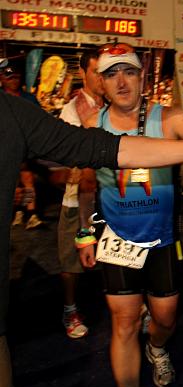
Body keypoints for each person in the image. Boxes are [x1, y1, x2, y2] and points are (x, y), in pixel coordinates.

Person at [0, 55, 183, 387]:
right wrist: (85, 232)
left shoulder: (168, 118)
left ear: (142, 77)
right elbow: (87, 184)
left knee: (165, 319)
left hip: (162, 244)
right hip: (118, 242)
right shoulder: (94, 126)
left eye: (129, 72)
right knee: (123, 322)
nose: (122, 82)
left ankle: (156, 347)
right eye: (112, 75)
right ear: (101, 83)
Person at [56, 50, 106, 339]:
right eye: (97, 72)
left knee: (114, 252)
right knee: (71, 259)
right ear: (83, 72)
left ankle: (128, 303)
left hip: (110, 197)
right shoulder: (72, 110)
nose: (103, 79)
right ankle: (69, 309)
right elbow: (76, 159)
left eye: (106, 72)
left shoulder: (113, 106)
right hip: (77, 198)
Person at [1, 62, 44, 231]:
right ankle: (19, 211)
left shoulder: (29, 98)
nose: (13, 80)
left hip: (25, 146)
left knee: (27, 178)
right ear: (1, 79)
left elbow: (41, 120)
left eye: (16, 77)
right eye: (8, 77)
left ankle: (31, 213)